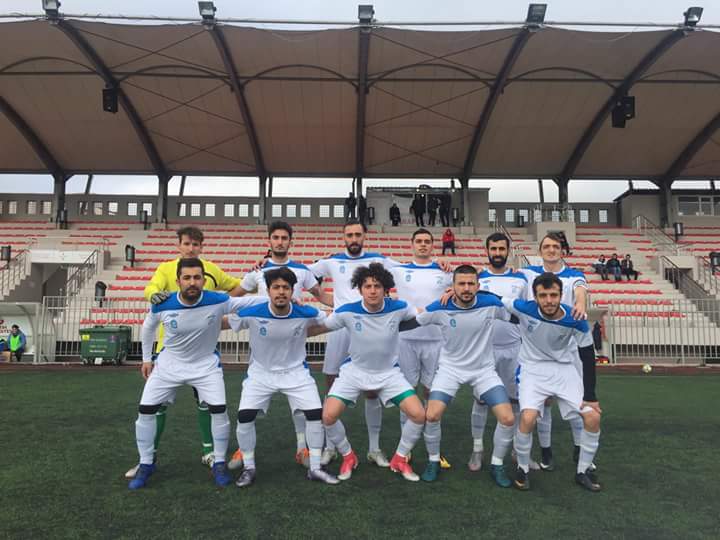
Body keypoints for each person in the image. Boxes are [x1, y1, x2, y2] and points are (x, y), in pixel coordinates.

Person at [128, 258, 263, 490]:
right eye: (187, 278)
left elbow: (249, 301)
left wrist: (283, 298)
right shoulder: (163, 304)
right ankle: (146, 463)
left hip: (205, 366)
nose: (192, 282)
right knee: (145, 411)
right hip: (169, 364)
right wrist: (147, 359)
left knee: (219, 411)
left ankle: (218, 463)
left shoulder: (217, 300)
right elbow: (148, 327)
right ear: (178, 281)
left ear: (203, 280)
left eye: (197, 278)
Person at [309, 263, 426, 482]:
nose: (372, 290)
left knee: (419, 415)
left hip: (389, 373)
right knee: (328, 416)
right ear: (360, 289)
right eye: (367, 286)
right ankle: (348, 456)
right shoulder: (347, 311)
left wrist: (450, 301)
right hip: (354, 371)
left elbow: (424, 315)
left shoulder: (400, 307)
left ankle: (400, 458)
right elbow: (321, 327)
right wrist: (291, 328)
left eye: (377, 286)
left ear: (385, 289)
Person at [233, 221, 334, 468]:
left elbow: (321, 296)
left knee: (300, 401)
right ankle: (242, 450)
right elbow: (233, 296)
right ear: (269, 241)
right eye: (276, 237)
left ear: (290, 241)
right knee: (249, 405)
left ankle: (302, 448)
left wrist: (352, 306)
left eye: (284, 238)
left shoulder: (302, 270)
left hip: (293, 338)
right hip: (263, 342)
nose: (280, 242)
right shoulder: (257, 271)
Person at [227, 267, 339, 487]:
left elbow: (330, 320)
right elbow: (224, 322)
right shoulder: (252, 312)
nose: (281, 292)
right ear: (268, 290)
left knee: (315, 415)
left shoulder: (306, 312)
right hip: (261, 373)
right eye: (276, 287)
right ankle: (249, 467)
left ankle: (316, 468)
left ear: (292, 291)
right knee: (244, 417)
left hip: (295, 372)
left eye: (285, 288)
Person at [408, 265, 516, 487]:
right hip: (450, 369)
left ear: (478, 286)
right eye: (461, 284)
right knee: (432, 415)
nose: (466, 288)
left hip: (483, 370)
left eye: (470, 284)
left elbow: (519, 316)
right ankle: (433, 460)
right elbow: (411, 322)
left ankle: (497, 464)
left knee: (507, 418)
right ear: (453, 286)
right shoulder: (439, 307)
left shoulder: (491, 304)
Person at [308, 220, 401, 467]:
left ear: (364, 236)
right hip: (340, 327)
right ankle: (331, 447)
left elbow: (408, 271)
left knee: (372, 388)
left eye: (358, 234)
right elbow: (302, 274)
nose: (353, 238)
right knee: (330, 382)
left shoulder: (378, 260)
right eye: (349, 234)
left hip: (369, 327)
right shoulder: (332, 261)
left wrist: (444, 267)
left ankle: (374, 448)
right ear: (343, 237)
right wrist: (322, 296)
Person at [502, 273, 602, 492]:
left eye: (553, 295)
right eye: (543, 295)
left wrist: (591, 396)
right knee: (527, 418)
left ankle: (583, 471)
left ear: (561, 295)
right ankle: (522, 468)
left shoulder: (575, 318)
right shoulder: (523, 308)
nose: (549, 300)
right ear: (535, 297)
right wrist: (455, 293)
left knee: (592, 416)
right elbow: (493, 299)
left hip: (563, 369)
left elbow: (587, 357)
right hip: (532, 369)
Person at [520, 232, 589, 472]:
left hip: (567, 351)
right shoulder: (528, 273)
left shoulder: (574, 275)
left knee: (580, 403)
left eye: (556, 246)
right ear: (540, 251)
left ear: (562, 250)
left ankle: (580, 448)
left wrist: (580, 303)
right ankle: (546, 450)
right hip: (538, 350)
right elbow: (502, 279)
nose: (551, 250)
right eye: (547, 246)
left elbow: (580, 291)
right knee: (544, 404)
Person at [468, 233, 532, 473]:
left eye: (501, 249)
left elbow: (525, 311)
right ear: (487, 250)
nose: (497, 253)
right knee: (481, 400)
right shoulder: (477, 279)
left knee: (516, 400)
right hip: (485, 350)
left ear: (508, 250)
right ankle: (477, 448)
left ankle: (517, 448)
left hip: (514, 349)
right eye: (493, 248)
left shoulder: (520, 279)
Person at [391, 229, 453, 468]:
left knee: (431, 394)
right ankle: (405, 449)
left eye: (427, 241)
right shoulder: (399, 270)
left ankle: (432, 449)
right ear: (412, 244)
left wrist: (451, 289)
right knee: (407, 393)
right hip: (406, 339)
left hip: (436, 340)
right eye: (419, 241)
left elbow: (467, 285)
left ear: (433, 245)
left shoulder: (444, 271)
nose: (423, 245)